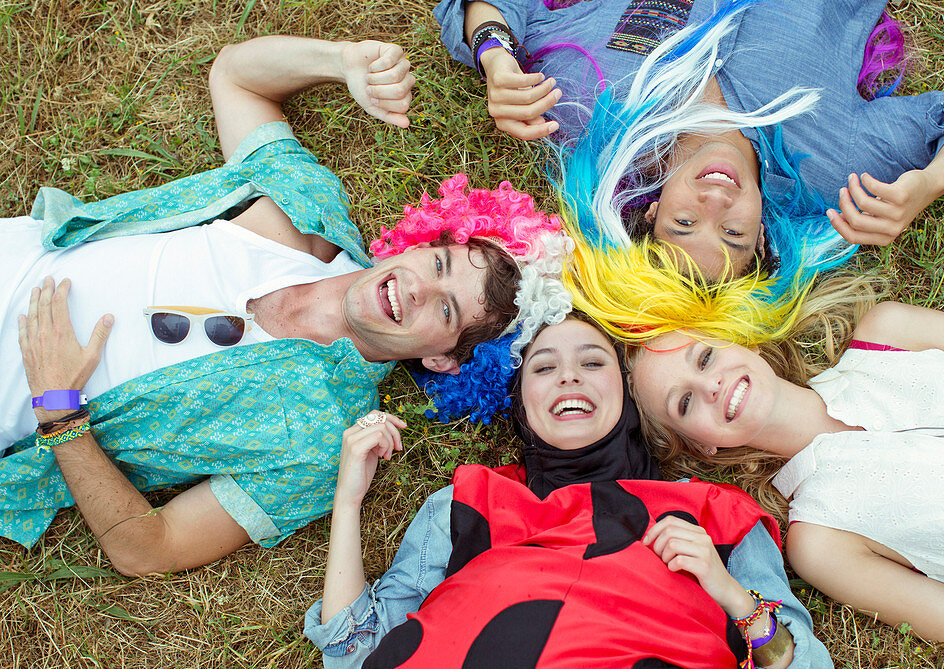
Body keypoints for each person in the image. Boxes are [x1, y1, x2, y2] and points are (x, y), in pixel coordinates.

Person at [2, 35, 562, 576]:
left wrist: (59, 411)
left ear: (444, 360)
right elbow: (237, 78)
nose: (420, 290)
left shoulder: (317, 443)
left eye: (447, 312)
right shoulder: (303, 217)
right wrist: (343, 63)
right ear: (421, 243)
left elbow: (150, 548)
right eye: (439, 265)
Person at [304, 316, 833, 669]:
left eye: (593, 361)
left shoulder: (717, 516)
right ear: (519, 400)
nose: (568, 376)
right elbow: (353, 662)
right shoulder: (467, 504)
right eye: (543, 367)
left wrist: (733, 596)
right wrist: (348, 502)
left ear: (628, 395)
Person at [625, 284, 944, 660]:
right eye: (684, 403)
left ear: (731, 339)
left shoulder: (890, 333)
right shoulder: (821, 539)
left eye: (705, 356)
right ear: (702, 447)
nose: (711, 385)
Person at [437, 0, 944, 279]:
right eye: (736, 233)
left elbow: (482, 8)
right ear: (765, 231)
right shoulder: (834, 165)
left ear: (650, 212)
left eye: (685, 224)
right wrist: (928, 183)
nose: (714, 204)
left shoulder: (583, 101)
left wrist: (494, 54)